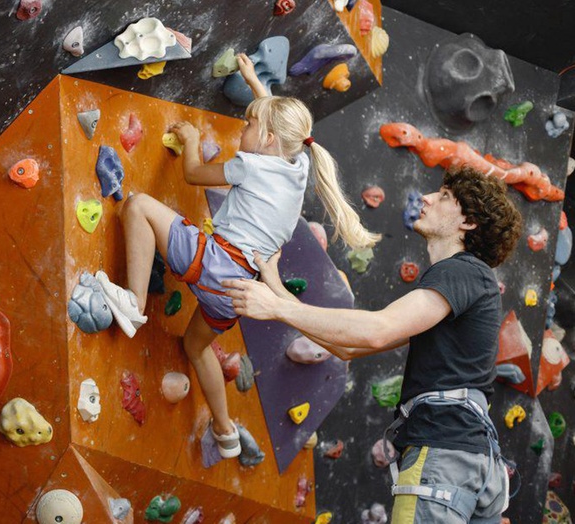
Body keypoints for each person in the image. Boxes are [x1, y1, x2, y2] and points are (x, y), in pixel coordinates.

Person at [94, 54, 379, 459]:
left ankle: (133, 303)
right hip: (237, 293)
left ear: (265, 139)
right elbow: (279, 129)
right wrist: (257, 85)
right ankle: (225, 430)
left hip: (213, 264)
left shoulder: (251, 165)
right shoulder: (296, 165)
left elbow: (193, 173)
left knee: (138, 206)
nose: (243, 129)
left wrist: (193, 141)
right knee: (195, 347)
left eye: (248, 125)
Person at [223, 168, 523, 523]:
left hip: (444, 457)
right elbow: (349, 348)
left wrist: (277, 307)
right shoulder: (466, 286)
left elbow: (378, 330)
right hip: (472, 463)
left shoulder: (462, 272)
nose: (425, 198)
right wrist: (280, 295)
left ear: (469, 222)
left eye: (443, 196)